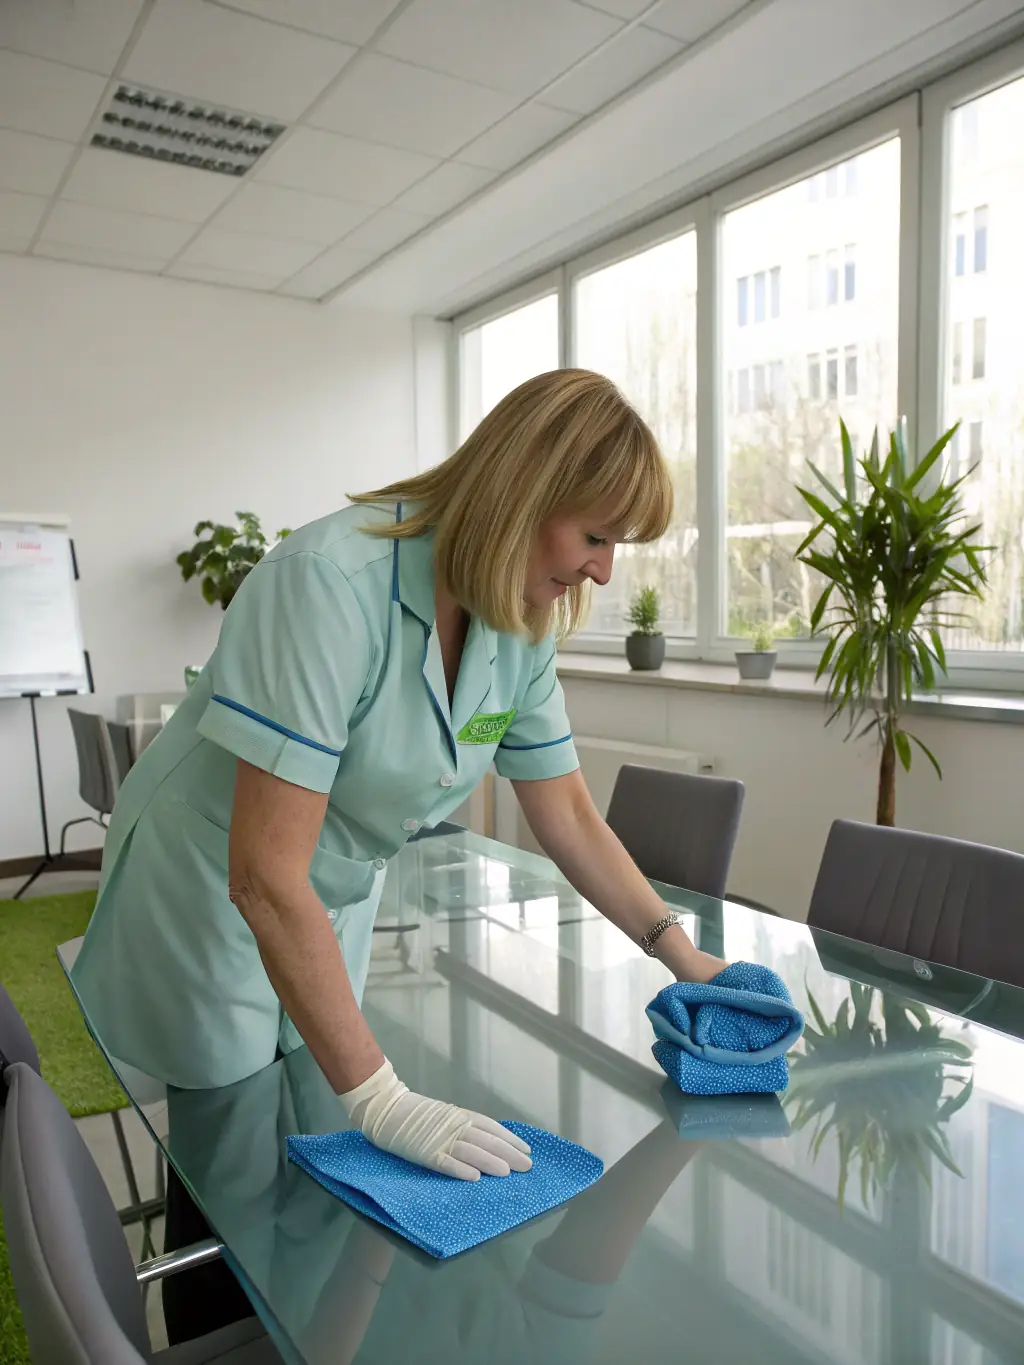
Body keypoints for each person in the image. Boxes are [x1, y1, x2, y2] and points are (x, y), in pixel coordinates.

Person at [72, 368, 726, 1190]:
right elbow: (265, 876)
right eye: (596, 536)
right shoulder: (327, 584)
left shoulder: (520, 622)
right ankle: (212, 1306)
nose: (603, 572)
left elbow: (567, 812)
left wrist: (681, 954)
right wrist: (385, 1100)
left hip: (329, 890)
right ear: (526, 494)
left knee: (315, 1128)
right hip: (214, 885)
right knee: (226, 1163)